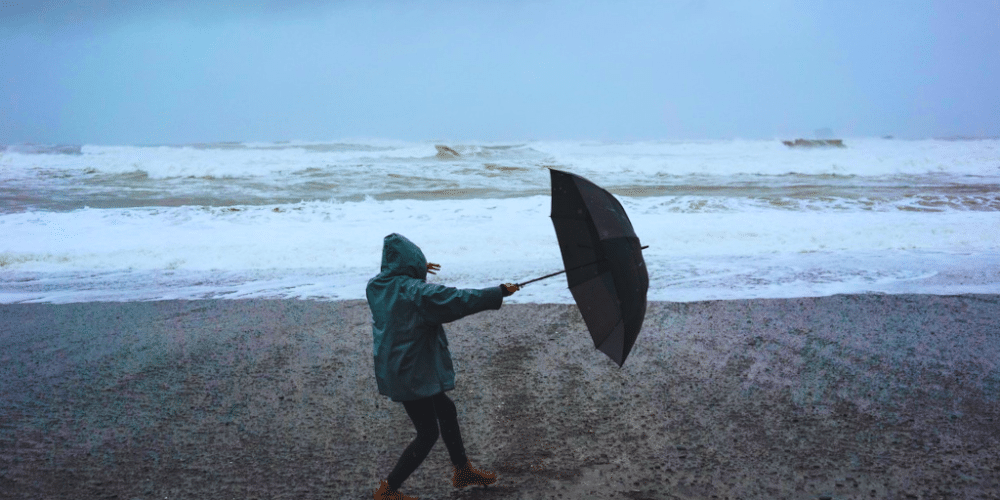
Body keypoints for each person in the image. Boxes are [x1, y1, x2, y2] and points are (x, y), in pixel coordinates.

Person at [367, 233, 520, 500]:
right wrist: (498, 292)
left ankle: (462, 471)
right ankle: (387, 490)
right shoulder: (415, 292)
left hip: (399, 367)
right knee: (427, 433)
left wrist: (414, 271)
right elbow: (457, 300)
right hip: (412, 372)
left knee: (446, 410)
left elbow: (401, 286)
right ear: (410, 265)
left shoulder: (377, 287)